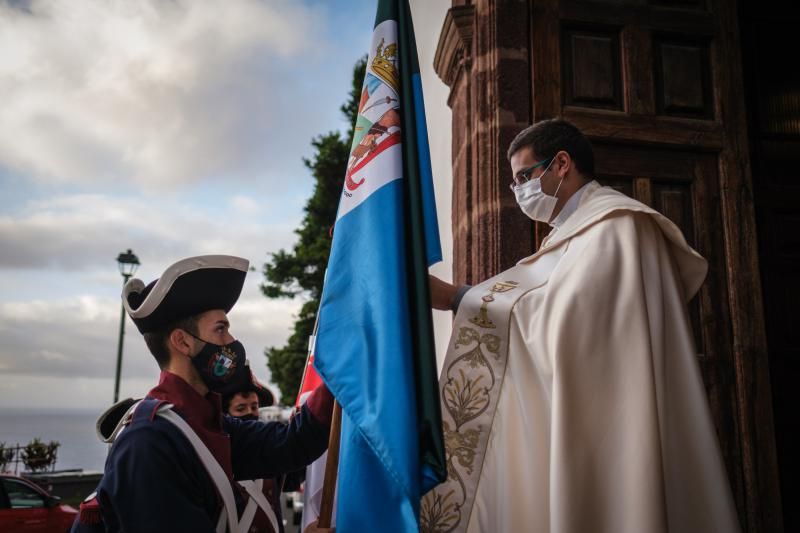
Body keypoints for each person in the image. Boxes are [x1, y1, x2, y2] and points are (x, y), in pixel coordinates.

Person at [422, 119, 740, 533]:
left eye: (523, 177)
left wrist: (456, 298)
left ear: (561, 164)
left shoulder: (619, 227)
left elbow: (572, 322)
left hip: (620, 428)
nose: (517, 191)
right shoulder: (570, 237)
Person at [71, 255, 334, 533]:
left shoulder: (202, 422)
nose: (231, 342)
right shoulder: (148, 443)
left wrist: (341, 373)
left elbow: (293, 443)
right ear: (182, 342)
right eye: (220, 329)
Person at [222, 369, 305, 533]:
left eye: (254, 407)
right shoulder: (216, 452)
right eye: (240, 408)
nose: (249, 413)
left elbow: (293, 474)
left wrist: (298, 436)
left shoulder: (268, 448)